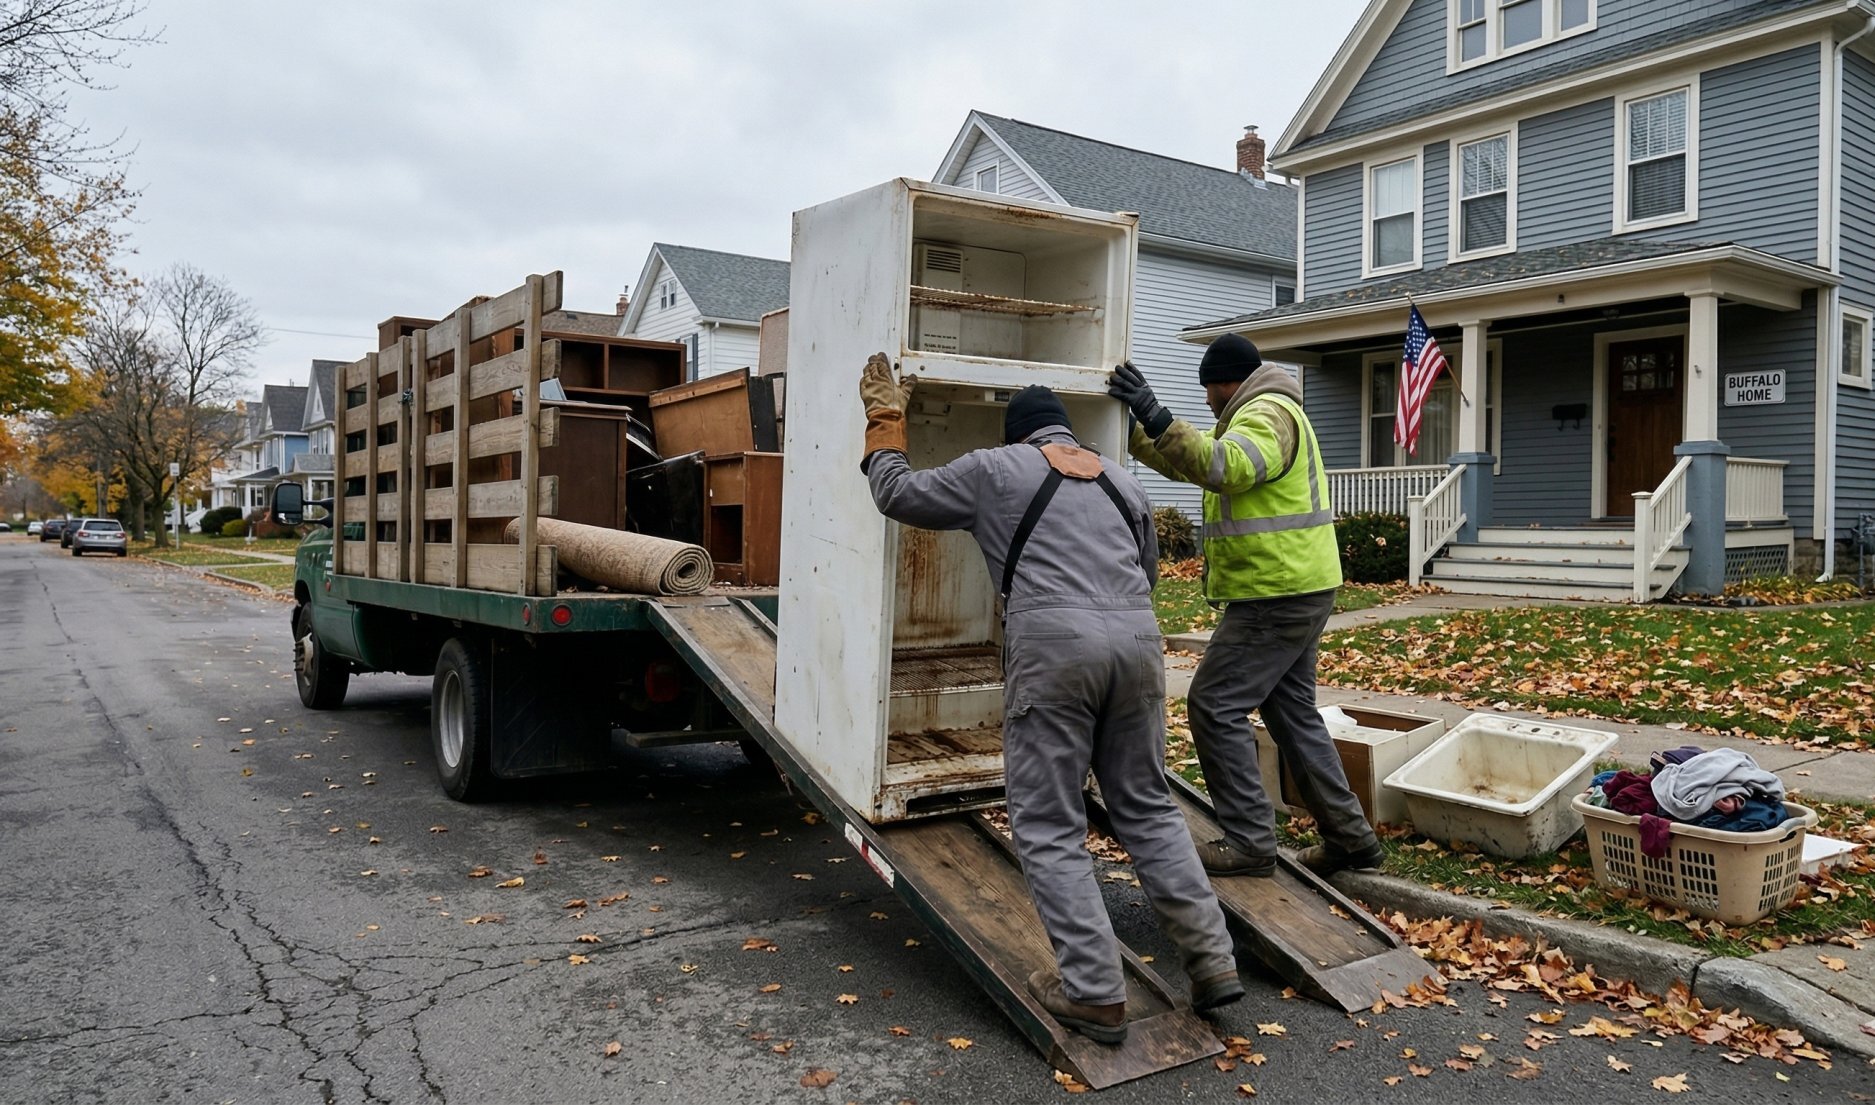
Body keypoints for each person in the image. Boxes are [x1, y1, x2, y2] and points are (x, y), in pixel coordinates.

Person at [858, 354, 1241, 1045]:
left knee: (1048, 822)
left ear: (1018, 437)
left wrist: (884, 418)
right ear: (1065, 433)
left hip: (1055, 649)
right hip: (1136, 646)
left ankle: (1094, 993)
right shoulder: (1123, 482)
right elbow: (1147, 573)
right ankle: (1212, 961)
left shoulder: (993, 468)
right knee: (1148, 806)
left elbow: (897, 496)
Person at [1106, 335, 1383, 879]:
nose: (1208, 400)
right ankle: (1352, 840)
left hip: (1275, 593)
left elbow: (1224, 466)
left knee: (1214, 705)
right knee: (1291, 714)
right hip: (1294, 587)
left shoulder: (1267, 413)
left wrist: (1155, 412)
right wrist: (1134, 432)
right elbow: (1197, 463)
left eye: (1210, 389)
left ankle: (1250, 842)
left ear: (1225, 382)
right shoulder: (1256, 413)